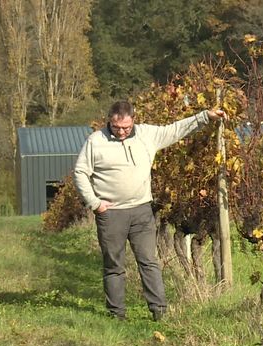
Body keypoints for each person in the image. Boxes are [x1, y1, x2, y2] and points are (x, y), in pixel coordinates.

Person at [73, 100, 226, 321]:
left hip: (142, 211)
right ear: (110, 121)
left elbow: (175, 129)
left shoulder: (147, 135)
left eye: (126, 127)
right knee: (114, 265)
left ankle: (159, 311)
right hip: (111, 213)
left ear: (133, 120)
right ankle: (116, 314)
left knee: (149, 261)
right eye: (116, 127)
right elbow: (80, 172)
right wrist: (95, 203)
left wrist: (204, 117)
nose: (122, 132)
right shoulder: (95, 142)